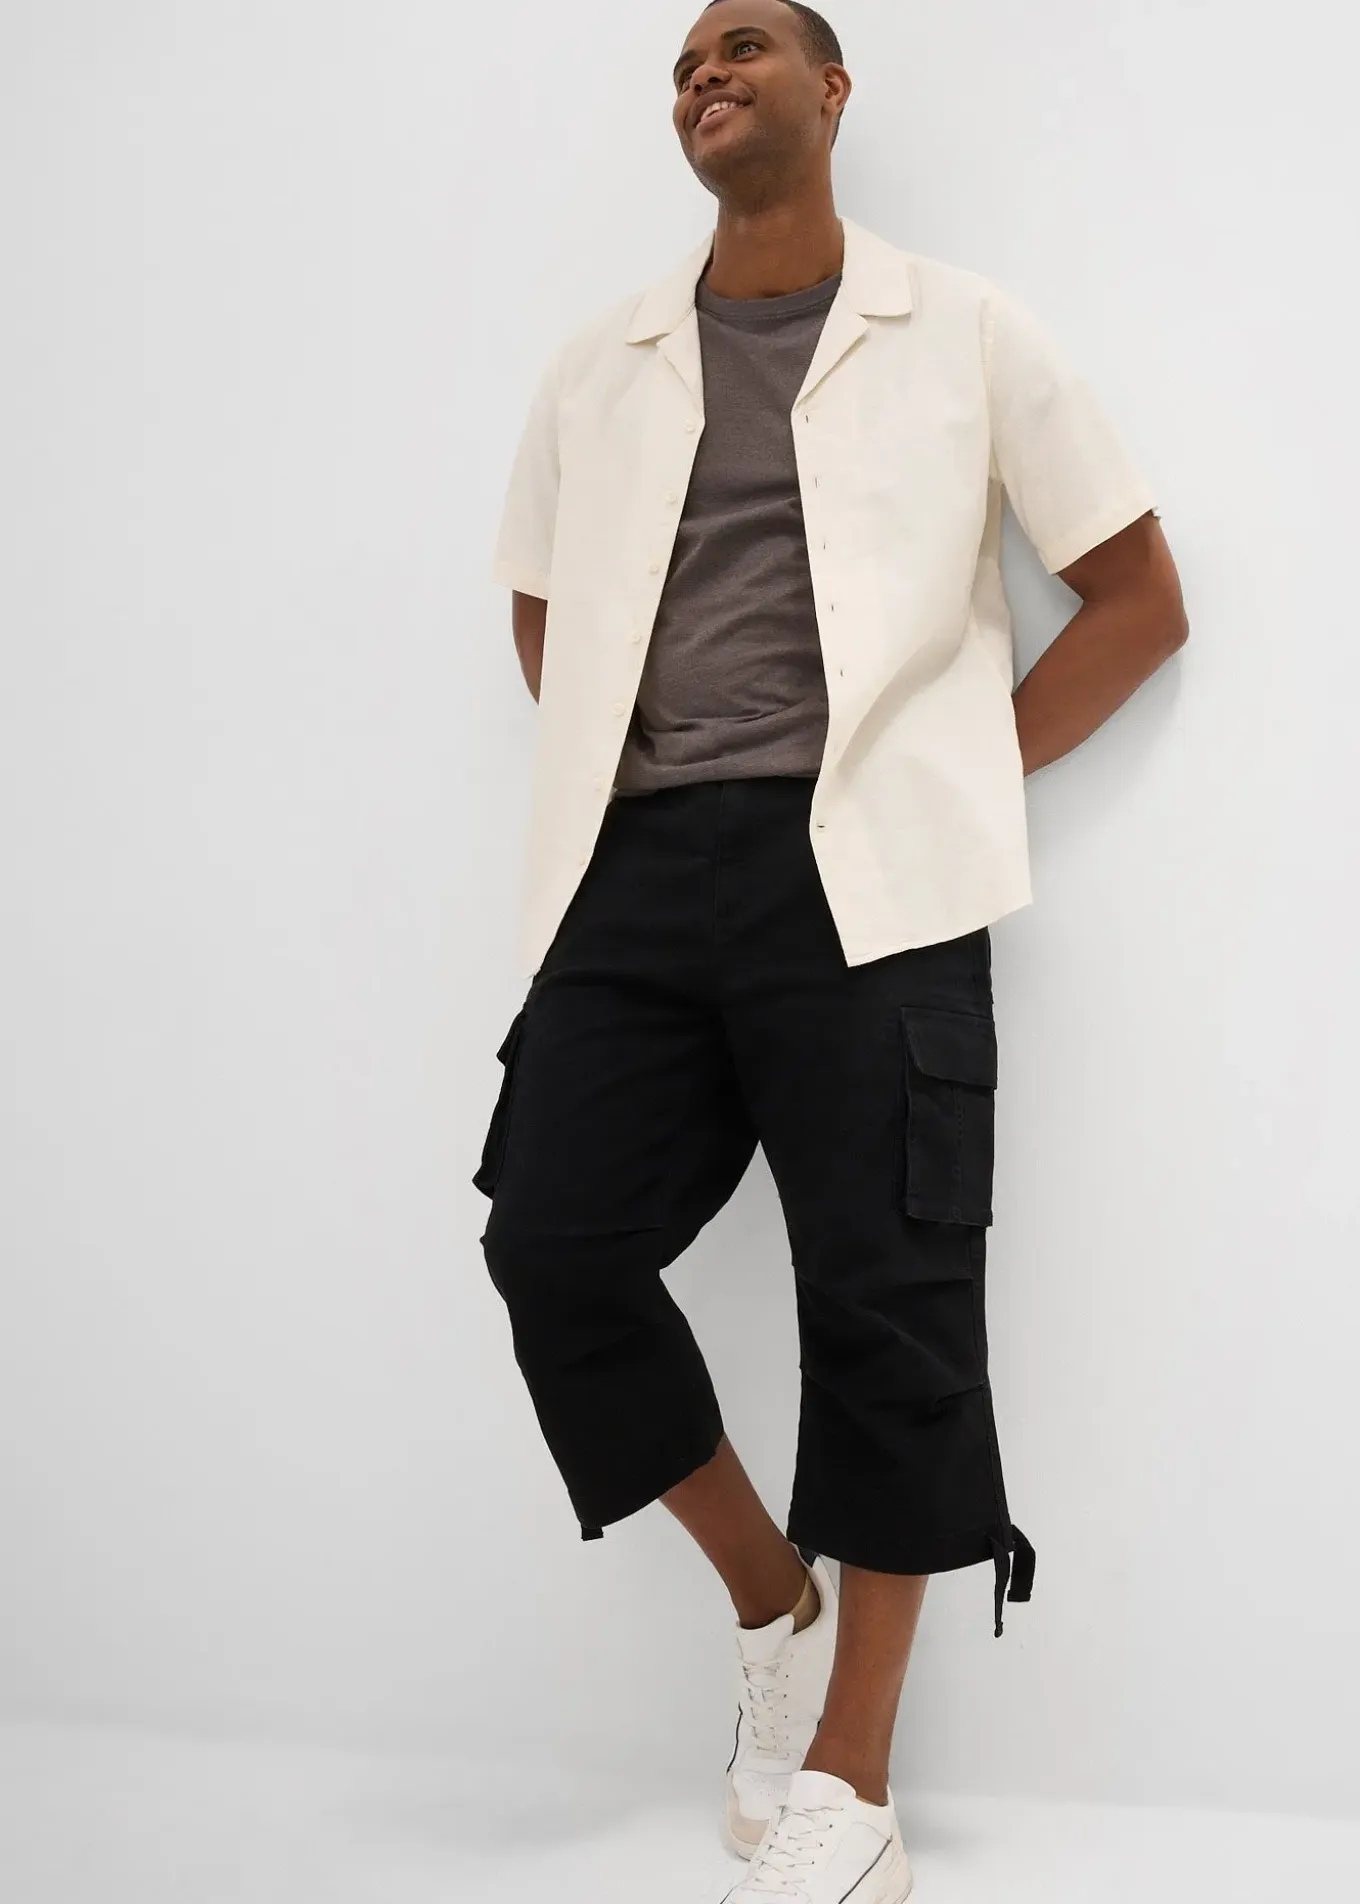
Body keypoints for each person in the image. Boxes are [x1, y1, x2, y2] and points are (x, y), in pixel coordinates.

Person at [474, 2, 1188, 1896]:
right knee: (553, 1245)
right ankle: (772, 1608)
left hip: (870, 872)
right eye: (684, 69)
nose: (707, 78)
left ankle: (853, 1777)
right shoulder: (602, 367)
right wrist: (640, 762)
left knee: (888, 1295)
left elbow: (1137, 597)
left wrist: (954, 779)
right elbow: (546, 614)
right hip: (638, 872)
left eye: (744, 48)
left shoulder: (965, 329)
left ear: (833, 90)